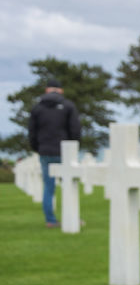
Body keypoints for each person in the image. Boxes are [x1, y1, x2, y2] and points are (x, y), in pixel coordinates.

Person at [28, 77, 81, 227]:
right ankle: (72, 218)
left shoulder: (37, 108)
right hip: (65, 151)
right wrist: (73, 147)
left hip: (45, 151)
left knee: (48, 187)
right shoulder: (68, 106)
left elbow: (32, 132)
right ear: (61, 91)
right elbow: (75, 130)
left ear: (46, 90)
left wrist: (37, 148)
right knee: (69, 186)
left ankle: (50, 220)